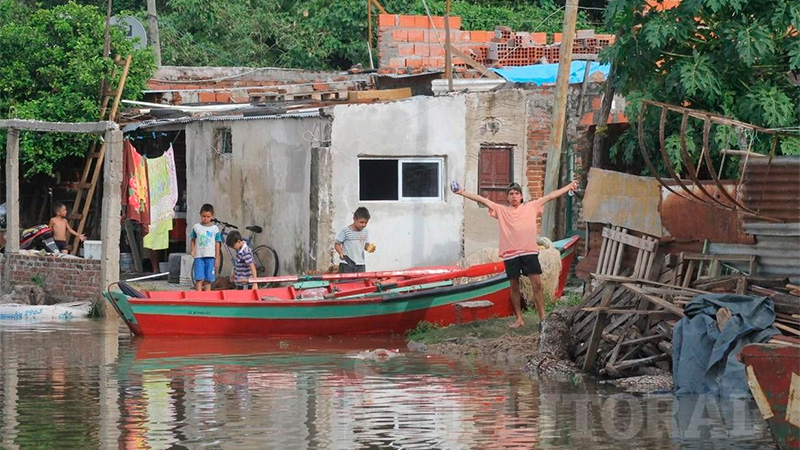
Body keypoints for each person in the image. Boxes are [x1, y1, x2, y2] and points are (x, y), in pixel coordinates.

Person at [453, 180, 578, 327]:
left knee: (537, 284)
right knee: (514, 286)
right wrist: (461, 192)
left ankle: (542, 317)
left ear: (521, 197)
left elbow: (551, 196)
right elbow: (481, 199)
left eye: (517, 193)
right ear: (507, 198)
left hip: (529, 252)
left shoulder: (531, 206)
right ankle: (519, 318)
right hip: (511, 254)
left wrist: (569, 187)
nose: (514, 196)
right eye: (511, 194)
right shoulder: (501, 210)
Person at [189, 204, 222, 291]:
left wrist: (217, 258)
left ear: (212, 216)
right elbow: (193, 239)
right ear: (200, 215)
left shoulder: (215, 229)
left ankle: (208, 296)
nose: (206, 218)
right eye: (203, 216)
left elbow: (217, 243)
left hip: (210, 257)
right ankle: (199, 295)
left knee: (208, 278)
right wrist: (192, 249)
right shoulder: (196, 227)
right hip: (199, 256)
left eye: (208, 216)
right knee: (199, 278)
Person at [334, 207, 376, 273]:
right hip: (346, 263)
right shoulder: (345, 231)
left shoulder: (365, 231)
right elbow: (337, 244)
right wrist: (341, 252)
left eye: (366, 223)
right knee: (345, 283)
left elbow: (365, 245)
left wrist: (369, 248)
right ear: (354, 219)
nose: (364, 225)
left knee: (360, 283)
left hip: (360, 263)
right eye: (361, 222)